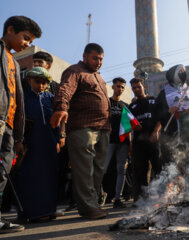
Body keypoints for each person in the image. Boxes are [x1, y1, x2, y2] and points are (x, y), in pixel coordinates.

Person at [50, 43, 110, 220]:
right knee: (84, 170)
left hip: (103, 129)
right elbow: (65, 90)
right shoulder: (75, 71)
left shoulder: (98, 77)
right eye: (95, 58)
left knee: (98, 170)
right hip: (83, 128)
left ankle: (93, 204)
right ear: (85, 56)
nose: (98, 62)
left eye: (101, 59)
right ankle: (88, 208)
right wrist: (61, 107)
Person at [0, 15, 41, 233]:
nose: (27, 44)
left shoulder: (15, 63)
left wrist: (18, 137)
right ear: (10, 30)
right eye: (25, 38)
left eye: (30, 41)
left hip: (8, 128)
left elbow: (19, 103)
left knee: (2, 173)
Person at [17, 67, 59, 222]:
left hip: (48, 142)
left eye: (44, 82)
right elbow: (19, 121)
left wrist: (58, 139)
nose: (41, 85)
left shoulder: (51, 98)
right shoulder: (23, 98)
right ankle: (31, 213)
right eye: (37, 82)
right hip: (30, 143)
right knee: (31, 176)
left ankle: (48, 210)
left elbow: (57, 121)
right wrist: (18, 140)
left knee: (49, 175)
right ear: (29, 81)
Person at [128, 78, 161, 202]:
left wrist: (156, 132)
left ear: (144, 87)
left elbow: (160, 118)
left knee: (158, 168)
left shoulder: (153, 100)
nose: (137, 89)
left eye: (138, 87)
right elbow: (127, 125)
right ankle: (141, 200)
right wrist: (134, 127)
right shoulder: (131, 106)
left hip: (153, 140)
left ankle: (163, 197)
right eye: (134, 88)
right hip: (138, 142)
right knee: (140, 171)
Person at [103, 77, 130, 208]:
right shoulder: (106, 102)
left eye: (122, 87)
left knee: (121, 170)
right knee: (102, 168)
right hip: (108, 141)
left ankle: (117, 198)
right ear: (113, 87)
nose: (120, 89)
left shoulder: (126, 106)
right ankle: (97, 196)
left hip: (123, 142)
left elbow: (129, 126)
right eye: (118, 86)